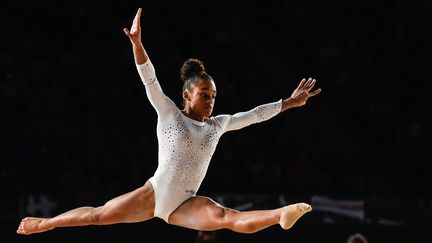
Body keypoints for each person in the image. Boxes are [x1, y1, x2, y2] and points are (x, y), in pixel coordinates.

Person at [17, 7, 321, 235]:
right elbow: (149, 80)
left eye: (213, 95)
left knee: (227, 219)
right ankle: (47, 223)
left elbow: (254, 115)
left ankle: (282, 213)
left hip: (184, 205)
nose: (211, 100)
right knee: (97, 216)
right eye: (204, 94)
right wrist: (137, 44)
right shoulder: (169, 113)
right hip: (154, 194)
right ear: (186, 95)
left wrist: (289, 103)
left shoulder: (218, 124)